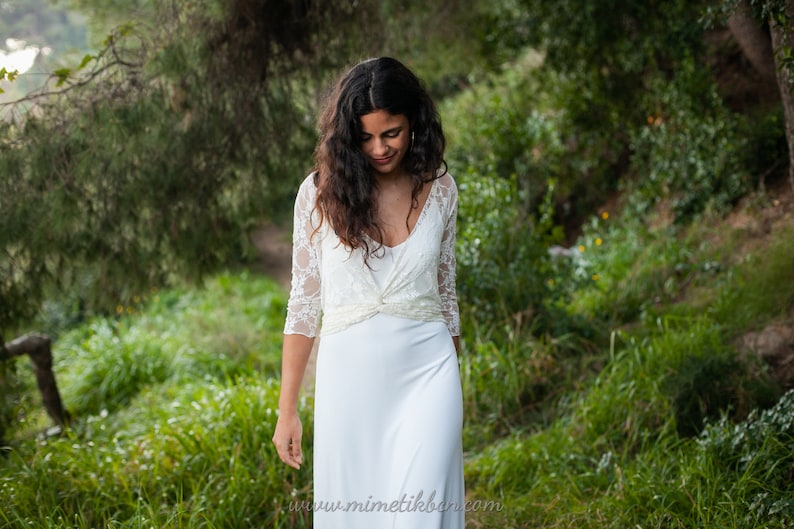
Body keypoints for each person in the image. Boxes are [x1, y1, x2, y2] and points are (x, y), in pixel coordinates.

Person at [272, 56, 464, 529]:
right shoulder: (317, 196)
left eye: (391, 133)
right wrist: (287, 410)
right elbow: (303, 307)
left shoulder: (441, 190)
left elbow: (446, 292)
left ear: (414, 123)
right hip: (349, 384)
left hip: (429, 375)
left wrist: (456, 383)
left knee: (423, 517)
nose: (379, 148)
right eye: (366, 137)